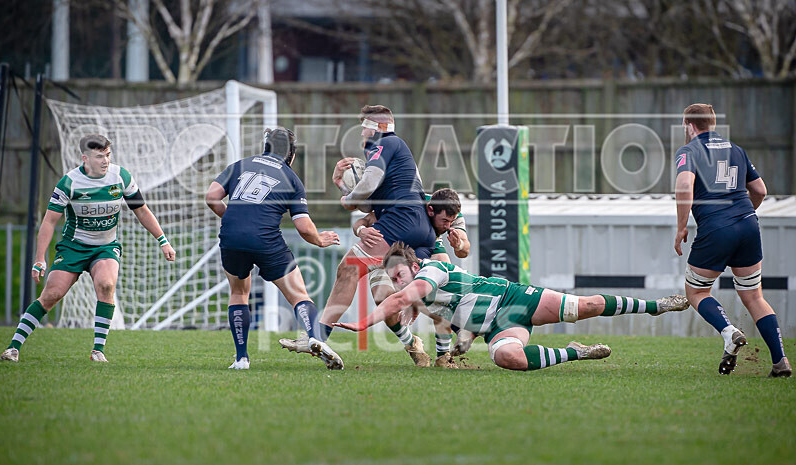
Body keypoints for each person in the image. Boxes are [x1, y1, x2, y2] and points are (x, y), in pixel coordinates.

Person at [334, 242, 689, 372]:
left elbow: (398, 301)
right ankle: (576, 353)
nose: (398, 282)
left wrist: (364, 323)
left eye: (399, 274)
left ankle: (657, 305)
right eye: (393, 278)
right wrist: (460, 341)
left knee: (589, 305)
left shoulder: (432, 270)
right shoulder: (420, 296)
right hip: (499, 326)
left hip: (515, 299)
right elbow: (453, 316)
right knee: (509, 359)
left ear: (413, 267)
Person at [279, 105, 436, 369]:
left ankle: (317, 337)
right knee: (387, 297)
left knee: (347, 270)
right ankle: (426, 346)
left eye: (364, 126)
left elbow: (367, 185)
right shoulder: (400, 149)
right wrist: (342, 185)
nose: (362, 133)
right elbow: (369, 204)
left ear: (376, 128)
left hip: (400, 222)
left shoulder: (383, 144)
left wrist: (347, 197)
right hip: (419, 228)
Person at [0, 134, 176, 363]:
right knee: (52, 294)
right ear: (85, 158)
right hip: (73, 247)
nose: (105, 161)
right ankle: (14, 347)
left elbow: (141, 210)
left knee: (106, 284)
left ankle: (98, 351)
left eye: (108, 155)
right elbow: (49, 221)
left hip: (105, 247)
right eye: (100, 156)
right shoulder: (69, 183)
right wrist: (40, 258)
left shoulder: (120, 176)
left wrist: (163, 241)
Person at [206, 128, 341, 370]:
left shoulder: (240, 165)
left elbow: (212, 196)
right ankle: (313, 337)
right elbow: (303, 226)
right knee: (299, 294)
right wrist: (319, 239)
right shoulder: (291, 178)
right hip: (265, 239)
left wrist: (233, 219)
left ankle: (241, 359)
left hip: (231, 237)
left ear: (265, 146)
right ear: (291, 153)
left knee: (238, 294)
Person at [673, 103, 790, 377]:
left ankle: (729, 332)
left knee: (697, 292)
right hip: (749, 224)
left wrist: (681, 228)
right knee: (754, 296)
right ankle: (781, 361)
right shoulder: (736, 149)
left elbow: (683, 185)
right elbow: (760, 189)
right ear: (712, 123)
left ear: (689, 126)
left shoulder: (688, 150)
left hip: (716, 229)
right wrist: (744, 214)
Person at [352, 188, 474, 368]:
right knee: (384, 299)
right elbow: (363, 221)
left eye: (451, 221)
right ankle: (412, 345)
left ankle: (444, 355)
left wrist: (460, 244)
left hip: (422, 253)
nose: (448, 226)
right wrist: (361, 230)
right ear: (430, 210)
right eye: (444, 221)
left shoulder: (450, 214)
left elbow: (464, 249)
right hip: (388, 255)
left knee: (443, 273)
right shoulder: (406, 205)